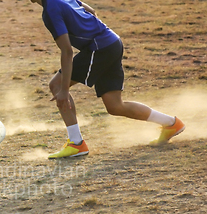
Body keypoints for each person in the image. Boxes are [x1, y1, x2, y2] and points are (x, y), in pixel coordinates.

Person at [30, 0, 185, 159]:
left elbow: (67, 51)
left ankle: (76, 144)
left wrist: (64, 90)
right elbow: (91, 11)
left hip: (99, 48)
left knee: (56, 85)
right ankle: (171, 123)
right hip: (112, 41)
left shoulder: (50, 11)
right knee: (115, 106)